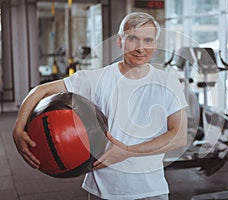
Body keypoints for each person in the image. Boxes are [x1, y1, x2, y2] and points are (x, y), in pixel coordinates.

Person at [13, 12, 188, 200]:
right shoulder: (94, 79)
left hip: (151, 190)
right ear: (119, 41)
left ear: (155, 44)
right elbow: (40, 91)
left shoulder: (168, 82)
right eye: (132, 39)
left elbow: (179, 137)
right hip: (103, 191)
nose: (140, 48)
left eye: (148, 40)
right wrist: (18, 128)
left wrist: (127, 152)